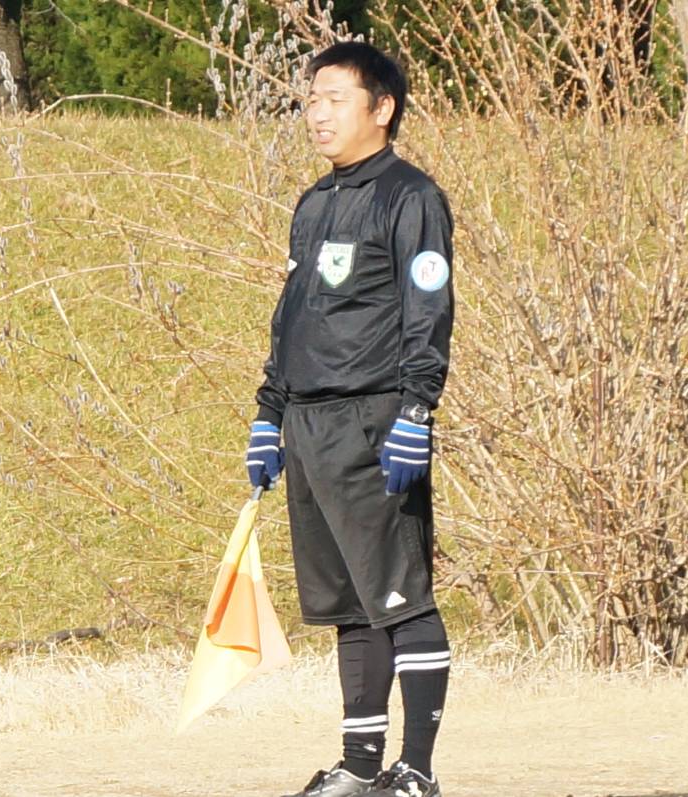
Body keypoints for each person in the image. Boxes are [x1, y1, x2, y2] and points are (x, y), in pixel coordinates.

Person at [245, 41, 454, 797]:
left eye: (335, 98)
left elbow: (428, 310)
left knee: (399, 595)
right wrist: (269, 413)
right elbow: (292, 316)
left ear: (382, 107)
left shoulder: (410, 197)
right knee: (350, 603)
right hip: (309, 425)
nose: (318, 113)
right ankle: (361, 766)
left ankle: (416, 770)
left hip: (375, 420)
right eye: (311, 99)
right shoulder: (314, 203)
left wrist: (415, 410)